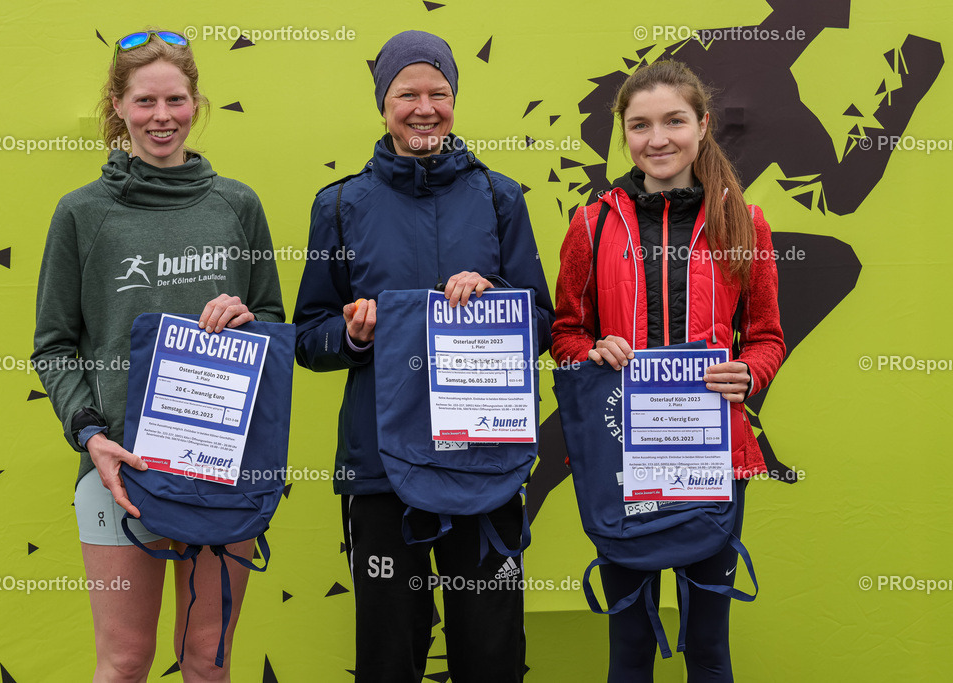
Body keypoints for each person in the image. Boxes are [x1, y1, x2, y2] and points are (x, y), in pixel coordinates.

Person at [293, 30, 554, 683]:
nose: (424, 106)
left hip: (484, 462)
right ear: (383, 103)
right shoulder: (340, 205)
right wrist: (352, 334)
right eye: (407, 92)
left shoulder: (501, 198)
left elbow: (544, 324)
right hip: (379, 467)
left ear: (455, 98)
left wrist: (496, 301)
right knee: (388, 653)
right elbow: (307, 334)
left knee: (491, 649)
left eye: (438, 91)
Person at [32, 30, 284, 682]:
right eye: (145, 101)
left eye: (175, 99)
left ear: (196, 102)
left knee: (207, 659)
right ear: (117, 104)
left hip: (223, 470)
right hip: (118, 470)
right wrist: (90, 436)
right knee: (125, 662)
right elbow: (54, 344)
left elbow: (277, 325)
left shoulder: (238, 205)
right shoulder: (82, 215)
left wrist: (246, 321)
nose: (162, 116)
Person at [551, 60, 786, 682]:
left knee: (708, 646)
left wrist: (749, 374)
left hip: (712, 453)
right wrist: (590, 351)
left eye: (674, 121)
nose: (657, 139)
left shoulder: (746, 222)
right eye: (640, 125)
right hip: (621, 452)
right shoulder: (592, 222)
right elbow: (565, 333)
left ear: (703, 126)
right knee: (629, 646)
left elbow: (766, 337)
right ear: (623, 134)